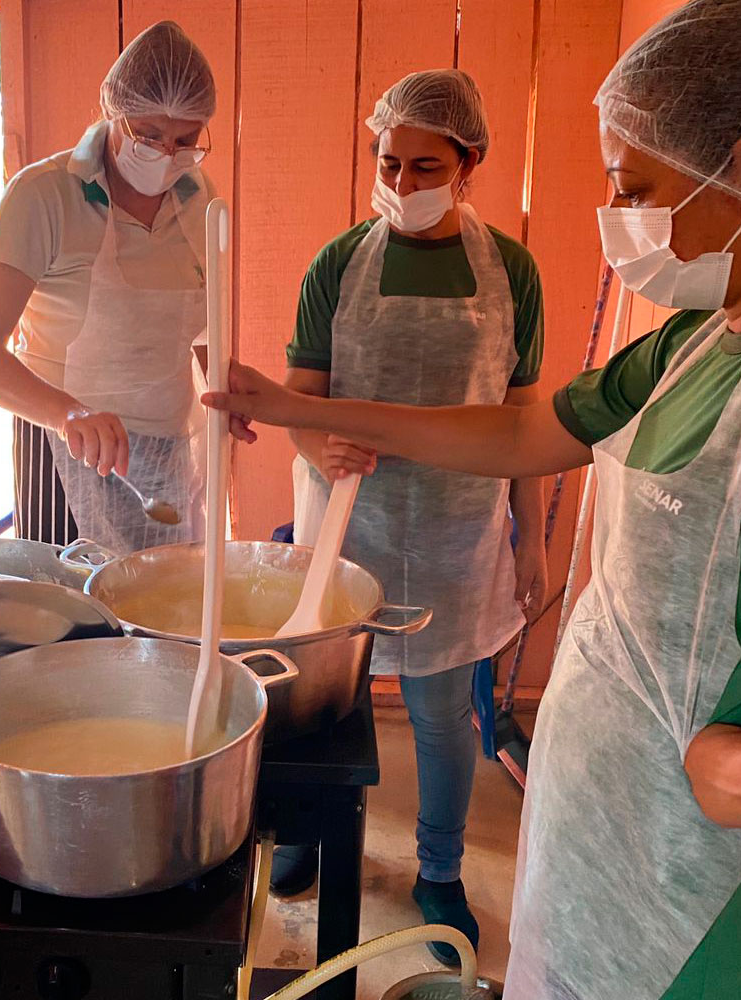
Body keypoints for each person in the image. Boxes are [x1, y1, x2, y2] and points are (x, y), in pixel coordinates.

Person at [205, 1, 741, 996]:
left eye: (635, 188)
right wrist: (286, 404)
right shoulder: (701, 337)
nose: (621, 220)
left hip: (716, 897)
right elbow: (527, 432)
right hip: (602, 848)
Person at [267, 69, 547, 966]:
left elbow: (527, 423)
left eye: (426, 166)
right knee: (319, 703)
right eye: (389, 162)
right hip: (352, 521)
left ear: (472, 163)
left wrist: (530, 534)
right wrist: (318, 447)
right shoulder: (337, 263)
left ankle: (439, 870)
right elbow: (302, 402)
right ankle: (306, 829)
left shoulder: (514, 273)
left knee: (441, 714)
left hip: (463, 531)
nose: (402, 183)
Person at [0, 21, 217, 553]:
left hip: (167, 458)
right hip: (63, 450)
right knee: (74, 621)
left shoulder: (198, 195)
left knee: (163, 622)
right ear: (112, 113)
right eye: (147, 136)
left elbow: (202, 329)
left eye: (185, 140)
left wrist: (224, 398)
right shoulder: (43, 196)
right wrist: (69, 413)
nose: (167, 155)